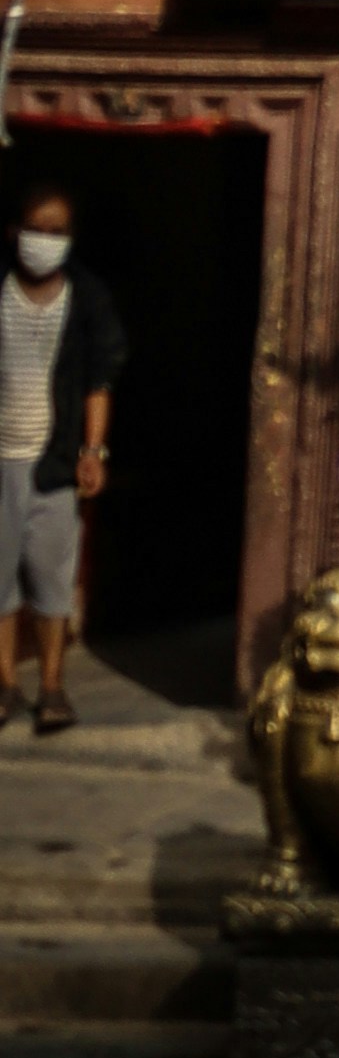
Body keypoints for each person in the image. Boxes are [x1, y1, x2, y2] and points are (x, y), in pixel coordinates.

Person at [2, 181, 122, 736]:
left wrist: (92, 451)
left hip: (53, 466)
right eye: (35, 229)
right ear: (13, 231)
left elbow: (99, 380)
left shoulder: (87, 298)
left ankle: (51, 686)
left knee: (51, 582)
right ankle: (4, 683)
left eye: (56, 233)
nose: (43, 242)